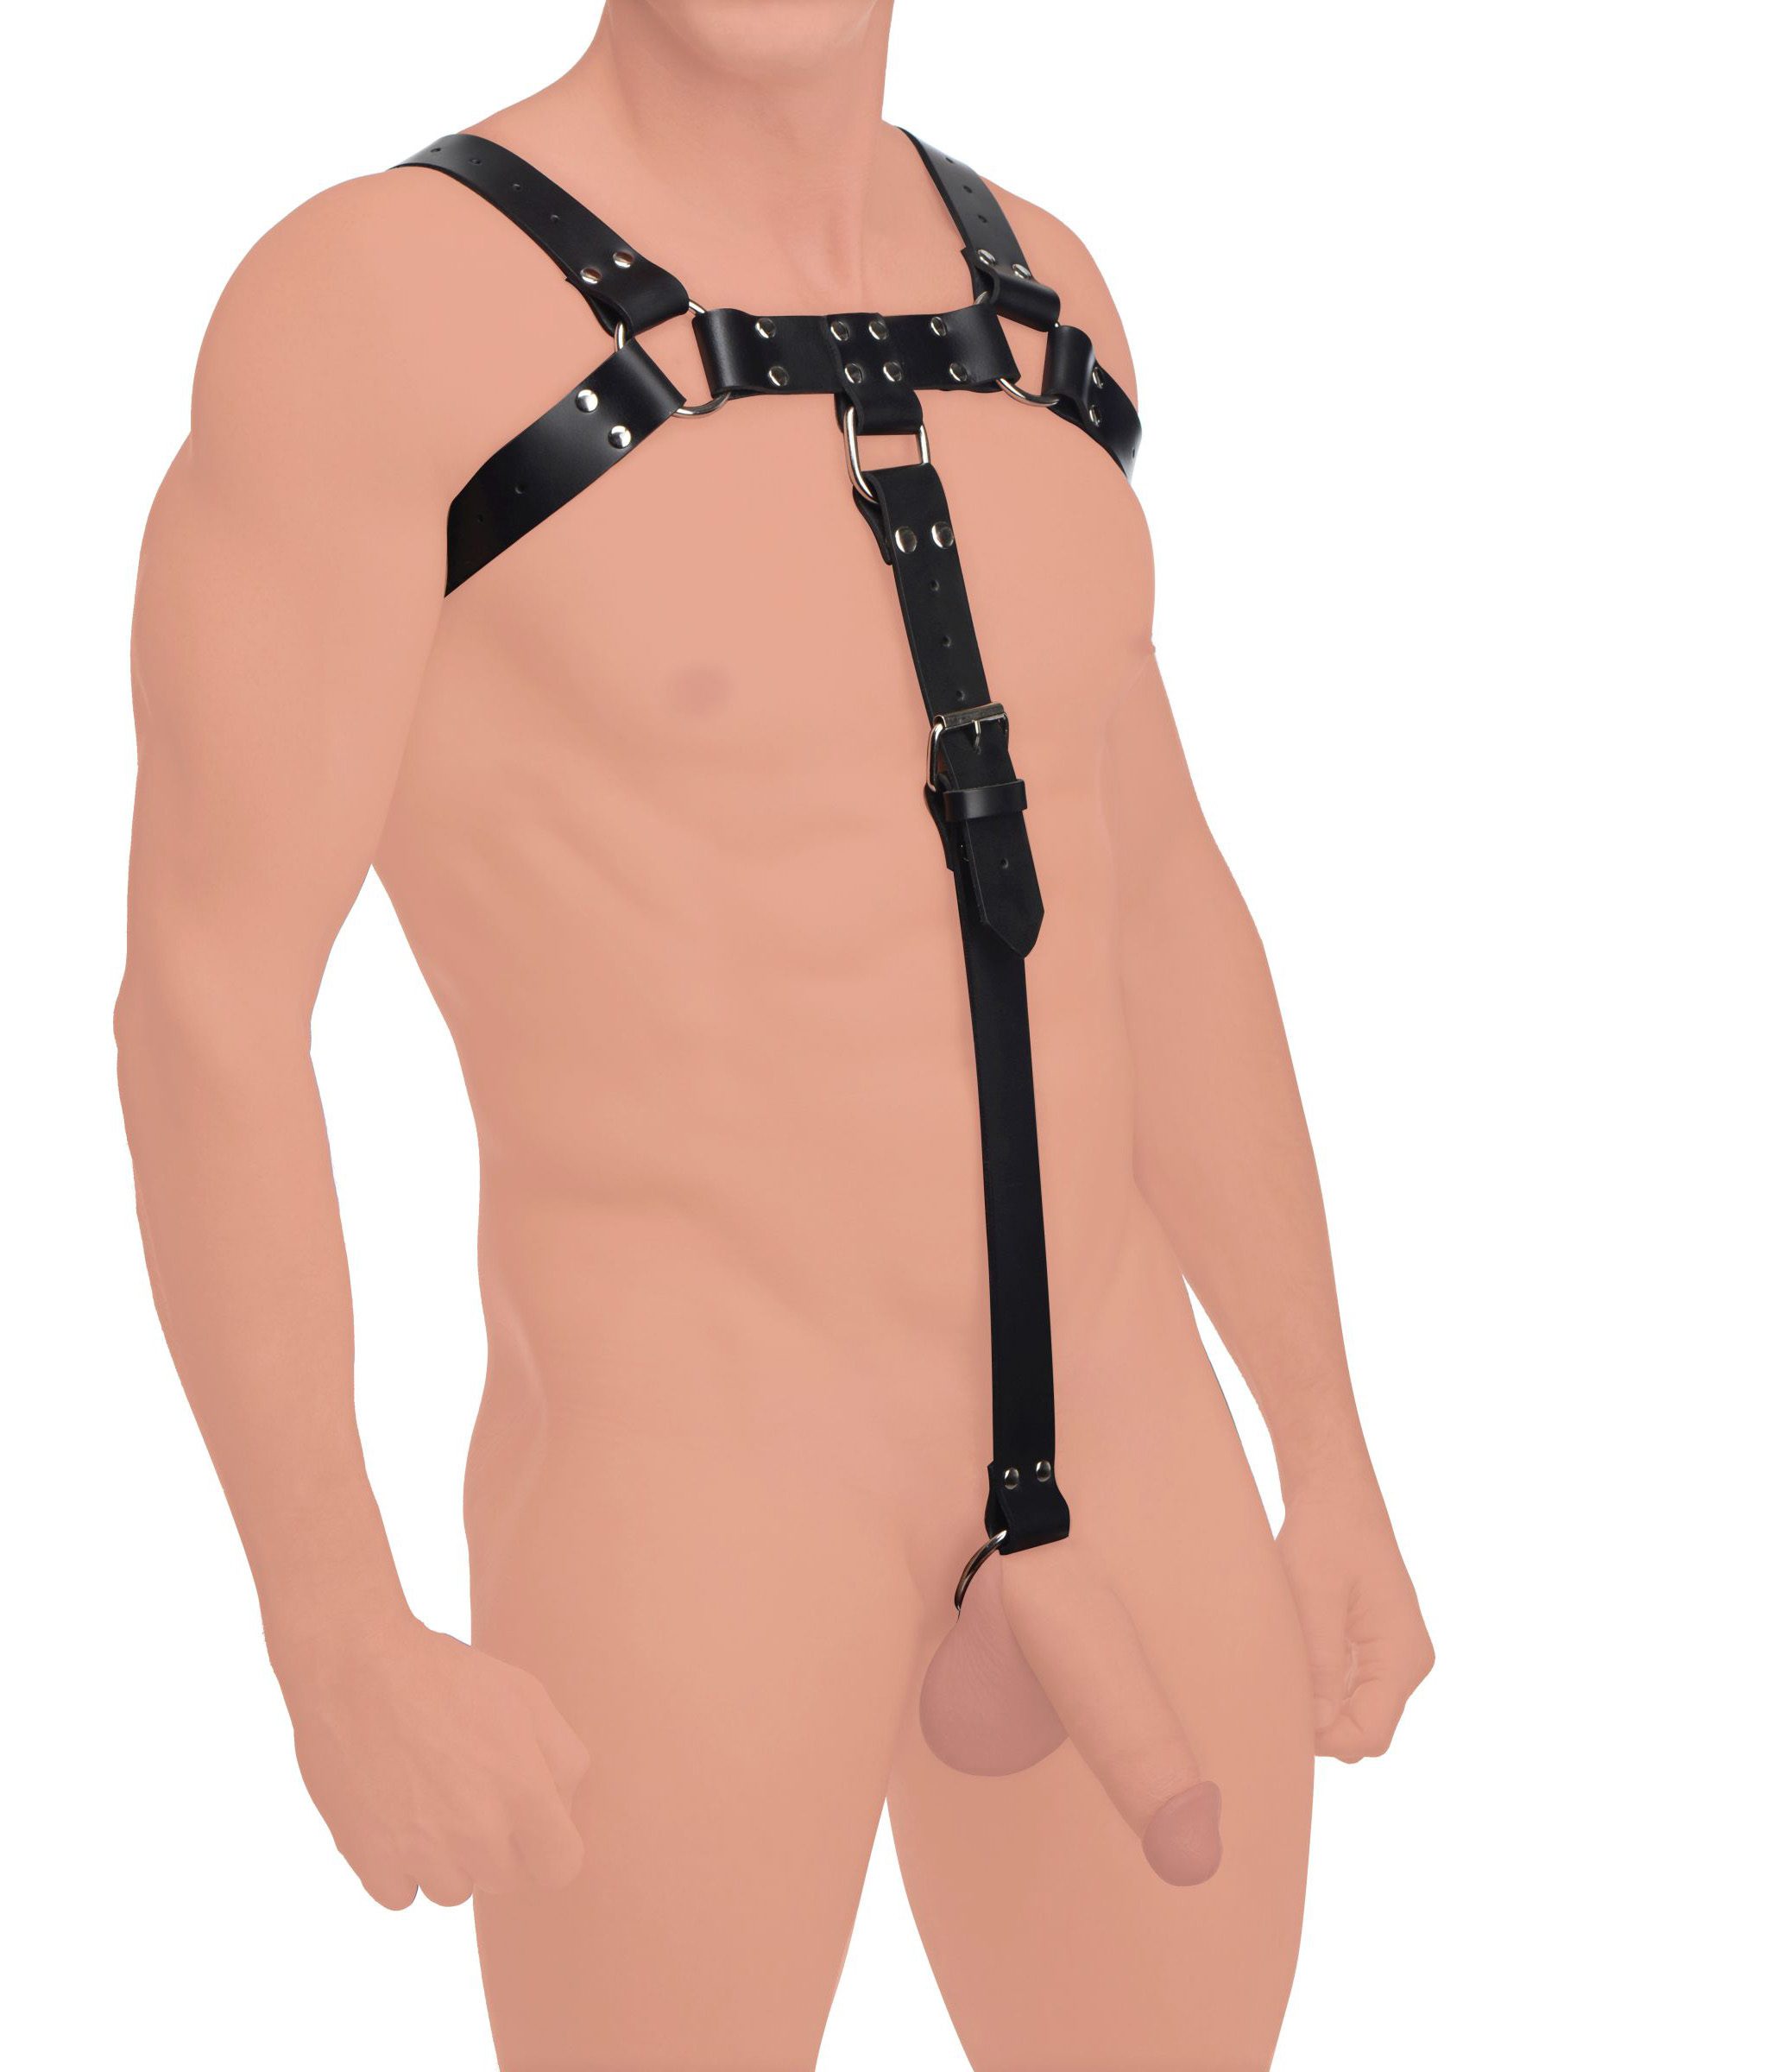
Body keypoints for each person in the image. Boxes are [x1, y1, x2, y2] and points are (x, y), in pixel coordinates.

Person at [115, 3, 1433, 2064]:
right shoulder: (382, 304)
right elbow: (212, 998)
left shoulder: (1042, 292)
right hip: (699, 1479)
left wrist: (1328, 1447)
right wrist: (334, 1621)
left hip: (1132, 1436)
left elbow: (1156, 899)